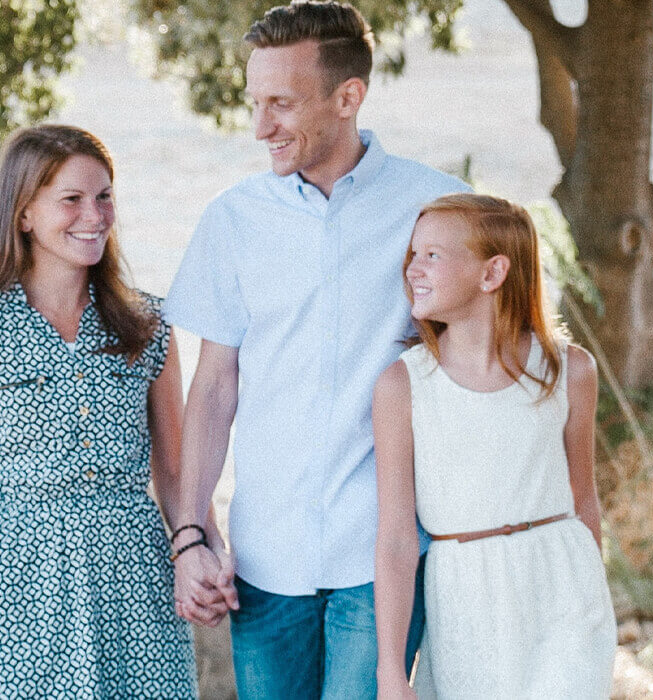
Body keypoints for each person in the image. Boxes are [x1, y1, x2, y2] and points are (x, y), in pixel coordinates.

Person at [162, 2, 472, 696]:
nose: (259, 127)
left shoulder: (441, 210)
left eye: (280, 103)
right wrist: (189, 536)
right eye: (254, 102)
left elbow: (481, 372)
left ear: (348, 96)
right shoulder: (234, 220)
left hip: (387, 554)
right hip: (266, 559)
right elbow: (213, 389)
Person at [0, 124, 198, 697]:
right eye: (71, 199)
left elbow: (175, 472)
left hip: (135, 577)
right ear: (24, 214)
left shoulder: (148, 325)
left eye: (104, 197)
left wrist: (194, 550)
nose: (94, 215)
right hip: (20, 581)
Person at [372, 193, 616, 698]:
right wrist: (391, 671)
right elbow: (396, 538)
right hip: (464, 598)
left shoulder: (570, 371)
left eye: (433, 255)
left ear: (492, 273)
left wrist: (596, 600)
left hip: (563, 592)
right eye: (412, 255)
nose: (414, 269)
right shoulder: (403, 385)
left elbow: (583, 498)